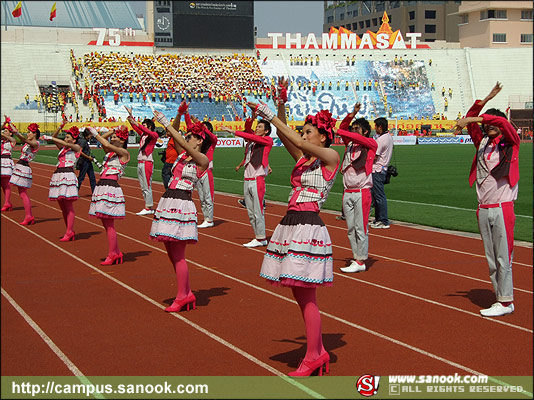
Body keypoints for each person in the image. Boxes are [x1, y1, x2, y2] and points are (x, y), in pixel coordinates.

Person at [251, 77, 339, 377]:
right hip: (292, 223)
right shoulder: (305, 160)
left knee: (307, 295)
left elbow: (296, 141)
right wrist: (280, 103)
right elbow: (287, 136)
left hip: (308, 225)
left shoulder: (330, 158)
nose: (304, 135)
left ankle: (314, 354)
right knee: (300, 295)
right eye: (303, 131)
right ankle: (318, 351)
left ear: (323, 138)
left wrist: (269, 114)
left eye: (310, 132)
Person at [454, 82, 520, 317]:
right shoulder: (482, 143)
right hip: (484, 208)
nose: (488, 126)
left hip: (502, 207)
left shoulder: (511, 142)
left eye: (491, 123)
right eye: (486, 123)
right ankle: (500, 297)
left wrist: (477, 120)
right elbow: (471, 115)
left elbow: (500, 122)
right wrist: (487, 98)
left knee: (504, 256)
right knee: (492, 258)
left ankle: (506, 301)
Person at [151, 110, 211, 313]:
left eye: (192, 136)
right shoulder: (183, 155)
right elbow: (175, 136)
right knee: (170, 251)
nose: (187, 139)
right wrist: (176, 116)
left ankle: (182, 296)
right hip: (169, 200)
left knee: (178, 254)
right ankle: (187, 293)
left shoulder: (202, 159)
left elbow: (181, 142)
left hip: (182, 203)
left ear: (200, 141)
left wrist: (166, 123)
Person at [222, 109, 273, 248]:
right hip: (247, 179)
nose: (257, 129)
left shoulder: (267, 140)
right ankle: (258, 236)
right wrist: (252, 116)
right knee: (250, 212)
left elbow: (251, 136)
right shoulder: (251, 142)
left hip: (257, 179)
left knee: (258, 211)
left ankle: (261, 237)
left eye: (260, 127)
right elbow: (247, 129)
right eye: (256, 127)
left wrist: (231, 131)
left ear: (266, 131)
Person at [337, 103, 378, 272]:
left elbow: (343, 131)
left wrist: (341, 132)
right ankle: (356, 257)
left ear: (365, 131)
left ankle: (361, 260)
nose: (353, 131)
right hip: (348, 191)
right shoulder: (349, 145)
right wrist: (352, 114)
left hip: (362, 192)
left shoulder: (370, 144)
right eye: (352, 128)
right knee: (350, 228)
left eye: (357, 129)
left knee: (360, 228)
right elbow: (343, 127)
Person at [87, 125, 131, 265]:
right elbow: (104, 144)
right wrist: (112, 131)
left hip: (111, 187)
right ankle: (116, 252)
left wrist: (95, 133)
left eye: (115, 137)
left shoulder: (124, 152)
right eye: (112, 137)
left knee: (109, 224)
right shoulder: (110, 152)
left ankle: (113, 253)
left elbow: (104, 143)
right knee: (105, 223)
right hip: (102, 185)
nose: (112, 138)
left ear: (123, 140)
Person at [41, 121, 82, 241]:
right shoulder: (63, 148)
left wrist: (52, 138)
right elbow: (54, 138)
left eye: (68, 136)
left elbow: (58, 141)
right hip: (58, 174)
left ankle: (69, 231)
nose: (65, 138)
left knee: (68, 205)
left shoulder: (77, 148)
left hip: (68, 175)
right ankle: (69, 230)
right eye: (65, 136)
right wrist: (60, 127)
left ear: (74, 140)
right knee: (62, 205)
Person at [181, 102, 218, 228]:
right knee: (201, 196)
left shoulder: (212, 141)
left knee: (208, 196)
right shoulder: (199, 143)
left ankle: (210, 219)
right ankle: (206, 218)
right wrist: (186, 114)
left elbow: (211, 136)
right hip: (198, 169)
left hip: (207, 170)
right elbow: (190, 127)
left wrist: (203, 126)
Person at [125, 106, 159, 216]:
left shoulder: (154, 135)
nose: (143, 127)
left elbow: (141, 128)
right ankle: (147, 205)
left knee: (147, 185)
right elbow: (135, 127)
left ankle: (148, 207)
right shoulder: (143, 135)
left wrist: (136, 122)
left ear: (149, 126)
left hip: (147, 162)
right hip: (140, 162)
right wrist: (130, 115)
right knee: (143, 185)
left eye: (145, 125)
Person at [8, 121, 40, 225]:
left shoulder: (35, 143)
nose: (28, 133)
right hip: (20, 165)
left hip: (24, 167)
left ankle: (29, 216)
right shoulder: (28, 142)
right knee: (21, 193)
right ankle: (28, 215)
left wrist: (17, 133)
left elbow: (23, 139)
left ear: (35, 134)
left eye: (29, 132)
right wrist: (10, 123)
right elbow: (21, 137)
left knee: (23, 193)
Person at [370, 117, 393, 229]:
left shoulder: (381, 139)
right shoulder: (388, 137)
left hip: (377, 169)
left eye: (376, 126)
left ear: (380, 127)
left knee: (379, 196)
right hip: (382, 168)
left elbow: (375, 156)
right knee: (376, 196)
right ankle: (378, 218)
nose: (375, 129)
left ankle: (383, 220)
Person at [1, 117, 17, 211]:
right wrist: (4, 123)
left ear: (10, 133)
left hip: (6, 161)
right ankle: (8, 202)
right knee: (2, 184)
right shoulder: (2, 140)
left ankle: (7, 202)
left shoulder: (12, 141)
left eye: (6, 131)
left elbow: (12, 138)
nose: (4, 132)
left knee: (6, 183)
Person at [76, 127, 97, 193]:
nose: (91, 136)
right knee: (81, 177)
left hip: (87, 161)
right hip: (84, 161)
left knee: (92, 177)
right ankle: (75, 191)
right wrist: (88, 157)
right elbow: (79, 151)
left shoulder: (85, 141)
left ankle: (94, 192)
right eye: (90, 135)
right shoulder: (83, 141)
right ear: (87, 135)